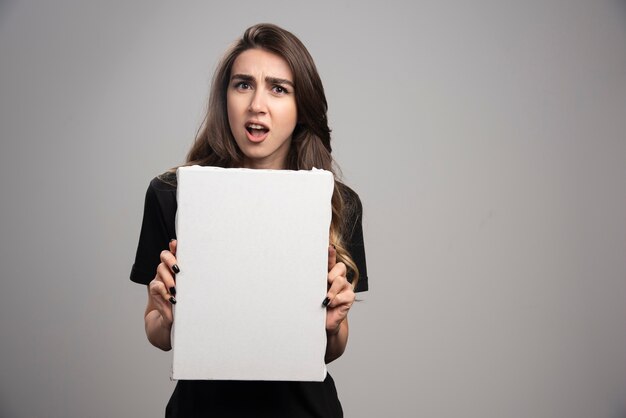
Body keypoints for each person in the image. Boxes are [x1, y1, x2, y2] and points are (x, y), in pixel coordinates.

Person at [130, 23, 368, 417]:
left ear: (301, 106)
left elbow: (333, 348)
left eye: (279, 88)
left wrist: (333, 322)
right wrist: (165, 311)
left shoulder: (338, 203)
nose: (257, 104)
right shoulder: (171, 193)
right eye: (243, 84)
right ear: (225, 98)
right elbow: (159, 334)